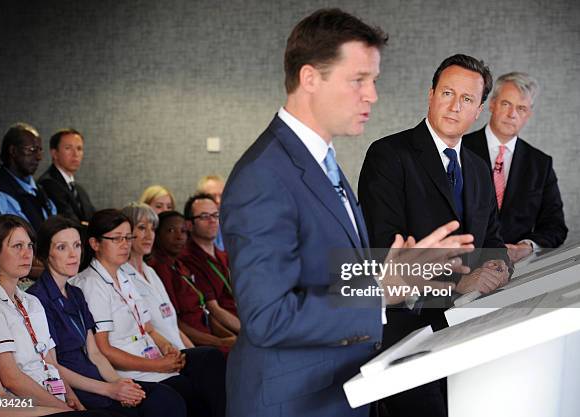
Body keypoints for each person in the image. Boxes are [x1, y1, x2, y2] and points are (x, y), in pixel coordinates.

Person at [221, 9, 473, 417]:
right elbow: (269, 316)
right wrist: (380, 292)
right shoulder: (263, 176)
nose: (372, 94)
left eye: (372, 81)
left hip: (337, 391)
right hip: (293, 403)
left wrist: (392, 274)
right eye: (359, 80)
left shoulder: (321, 161)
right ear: (309, 79)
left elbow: (321, 276)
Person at [358, 54, 509, 417]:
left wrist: (498, 267)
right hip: (405, 330)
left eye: (467, 99)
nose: (455, 106)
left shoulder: (475, 167)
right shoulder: (388, 155)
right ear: (430, 95)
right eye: (447, 93)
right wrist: (457, 283)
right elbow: (384, 249)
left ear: (479, 110)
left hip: (467, 328)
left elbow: (493, 241)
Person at [27, 215, 186, 417]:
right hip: (78, 387)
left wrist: (119, 384)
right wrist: (111, 390)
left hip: (99, 379)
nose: (73, 254)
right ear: (45, 253)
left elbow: (95, 354)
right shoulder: (38, 298)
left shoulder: (75, 293)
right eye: (61, 247)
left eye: (76, 245)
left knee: (166, 399)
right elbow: (53, 365)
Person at [70, 209, 223, 417]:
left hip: (153, 359)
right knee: (186, 393)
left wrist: (168, 348)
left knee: (209, 359)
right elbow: (104, 349)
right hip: (133, 369)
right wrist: (157, 365)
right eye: (116, 239)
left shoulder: (124, 276)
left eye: (127, 237)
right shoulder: (91, 284)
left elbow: (148, 328)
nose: (125, 245)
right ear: (95, 244)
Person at [0, 232, 118, 417]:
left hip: (30, 400)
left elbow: (1, 393)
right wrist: (56, 409)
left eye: (30, 246)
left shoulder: (29, 302)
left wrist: (70, 402)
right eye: (17, 246)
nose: (26, 253)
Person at [121, 203, 226, 416]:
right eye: (141, 228)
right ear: (126, 234)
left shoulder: (150, 272)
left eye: (152, 228)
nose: (149, 235)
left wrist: (190, 349)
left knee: (209, 359)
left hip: (175, 351)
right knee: (208, 365)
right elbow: (147, 330)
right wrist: (176, 355)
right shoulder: (122, 275)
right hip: (157, 357)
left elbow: (172, 324)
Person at [463, 72, 567, 261]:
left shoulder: (540, 164)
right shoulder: (459, 149)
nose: (512, 114)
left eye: (521, 108)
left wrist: (526, 247)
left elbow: (555, 227)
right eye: (506, 104)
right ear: (492, 104)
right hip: (460, 267)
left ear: (528, 114)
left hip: (517, 272)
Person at [149, 211, 236, 355]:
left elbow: (204, 312)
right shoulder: (159, 269)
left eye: (183, 231)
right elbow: (175, 323)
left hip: (208, 334)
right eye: (171, 230)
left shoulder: (181, 266)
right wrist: (220, 342)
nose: (179, 237)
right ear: (157, 235)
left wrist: (229, 337)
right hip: (191, 342)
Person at [181, 194, 239, 335]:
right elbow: (213, 309)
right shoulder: (187, 259)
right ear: (189, 224)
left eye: (215, 215)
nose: (212, 221)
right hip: (229, 330)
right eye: (204, 216)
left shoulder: (224, 255)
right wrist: (251, 332)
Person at [0, 123, 57, 231]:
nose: (39, 157)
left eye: (40, 150)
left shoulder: (39, 190)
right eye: (32, 149)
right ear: (13, 151)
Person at [38, 129, 95, 225]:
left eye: (79, 148)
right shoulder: (48, 183)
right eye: (68, 148)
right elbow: (70, 222)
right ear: (54, 153)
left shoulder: (79, 189)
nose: (75, 154)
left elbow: (94, 217)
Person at [196, 175, 224, 250]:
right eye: (212, 196)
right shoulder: (195, 224)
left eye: (221, 196)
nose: (218, 201)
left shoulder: (235, 223)